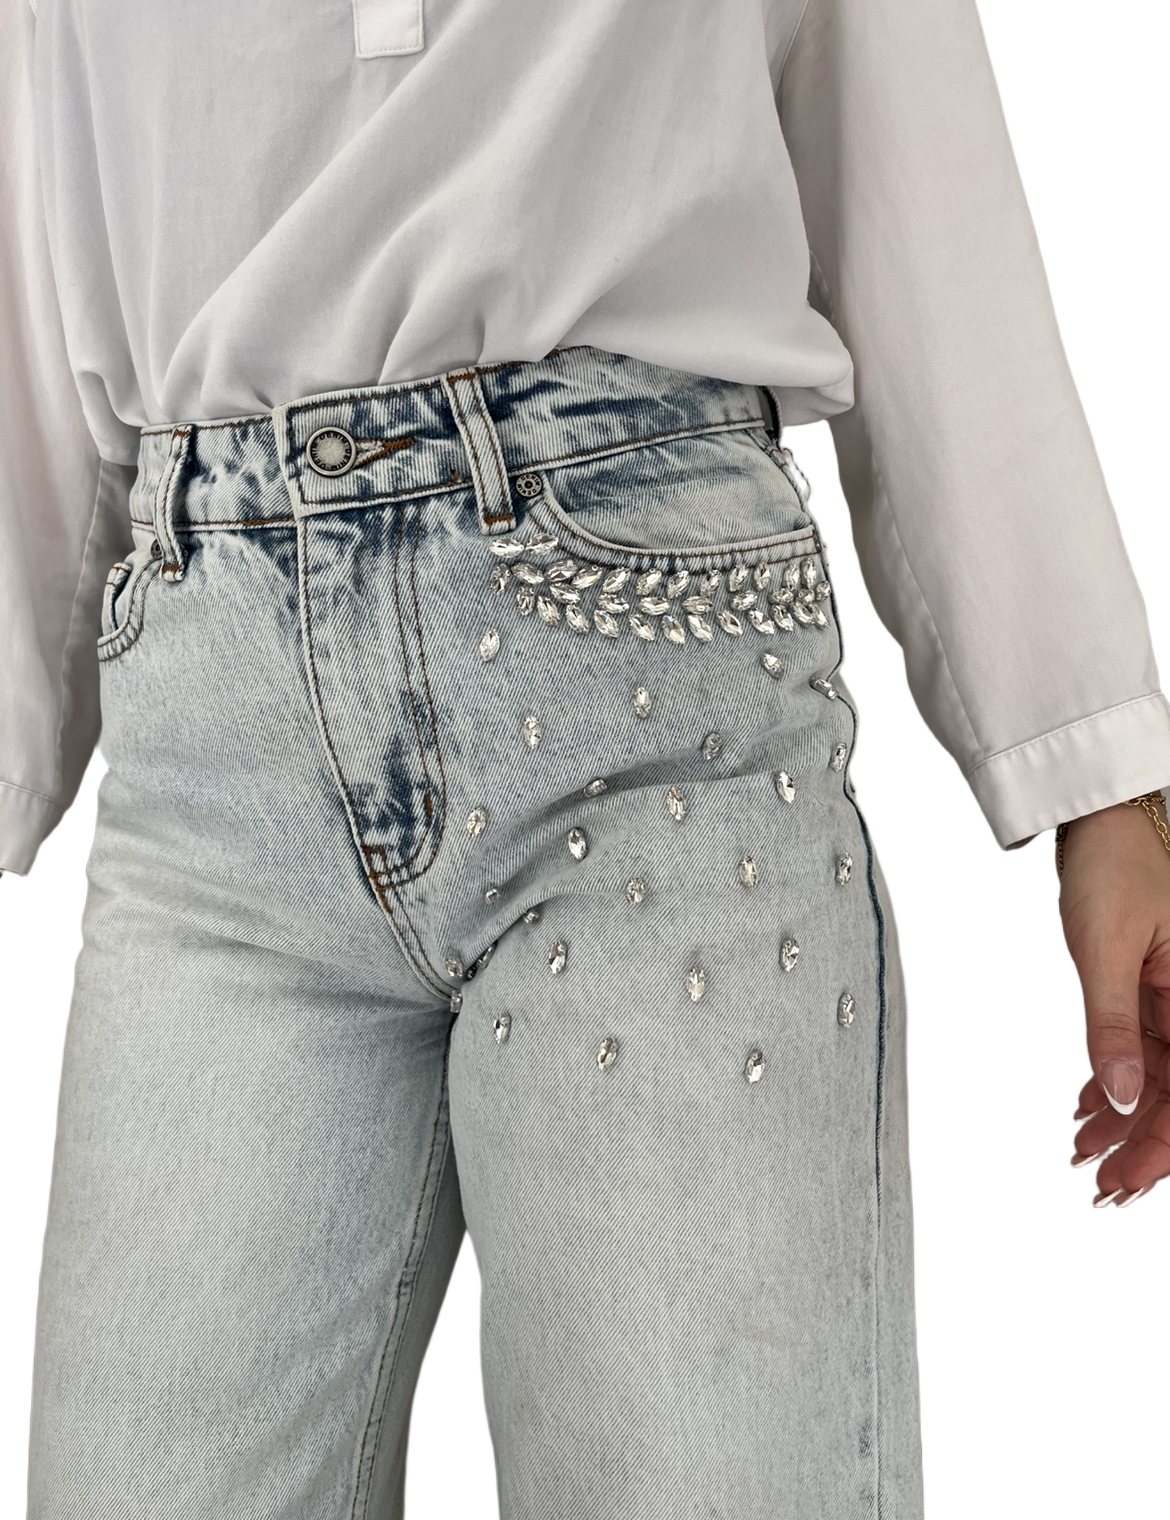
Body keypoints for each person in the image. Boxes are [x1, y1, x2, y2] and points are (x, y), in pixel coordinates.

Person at [4, 0, 1169, 1515]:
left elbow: (904, 149)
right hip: (211, 751)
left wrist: (1099, 779)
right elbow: (29, 233)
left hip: (653, 719)